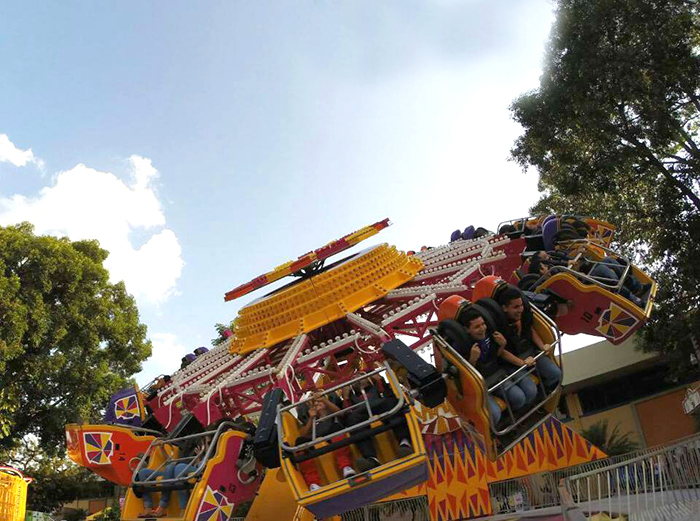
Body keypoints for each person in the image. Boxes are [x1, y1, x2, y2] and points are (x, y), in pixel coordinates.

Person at [458, 310, 537, 426]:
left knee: (519, 398)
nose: (482, 329)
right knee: (495, 413)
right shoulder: (462, 346)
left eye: (483, 324)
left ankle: (511, 420)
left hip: (495, 375)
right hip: (478, 385)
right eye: (477, 327)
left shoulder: (489, 335)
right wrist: (473, 359)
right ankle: (493, 430)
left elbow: (496, 355)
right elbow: (464, 377)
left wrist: (502, 345)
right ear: (466, 330)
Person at [341, 369, 413, 472]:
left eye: (360, 375)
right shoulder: (353, 397)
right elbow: (347, 413)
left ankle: (404, 442)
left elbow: (390, 395)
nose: (356, 378)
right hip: (362, 413)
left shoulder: (378, 387)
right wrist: (346, 397)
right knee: (352, 420)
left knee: (391, 403)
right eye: (353, 378)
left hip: (381, 405)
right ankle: (371, 458)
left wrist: (379, 380)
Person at [496, 286, 562, 392]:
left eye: (521, 305)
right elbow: (502, 352)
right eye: (516, 307)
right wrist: (522, 363)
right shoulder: (499, 325)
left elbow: (530, 330)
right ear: (504, 308)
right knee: (530, 390)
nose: (520, 310)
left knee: (556, 374)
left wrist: (542, 346)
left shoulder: (524, 314)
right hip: (512, 363)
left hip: (529, 353)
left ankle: (544, 391)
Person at [294, 393, 356, 491]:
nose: (317, 403)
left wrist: (324, 400)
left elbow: (341, 413)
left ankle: (346, 466)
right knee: (300, 442)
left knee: (336, 428)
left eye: (320, 402)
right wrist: (311, 418)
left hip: (332, 435)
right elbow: (302, 434)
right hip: (316, 439)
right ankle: (313, 483)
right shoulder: (313, 421)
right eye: (315, 403)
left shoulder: (333, 415)